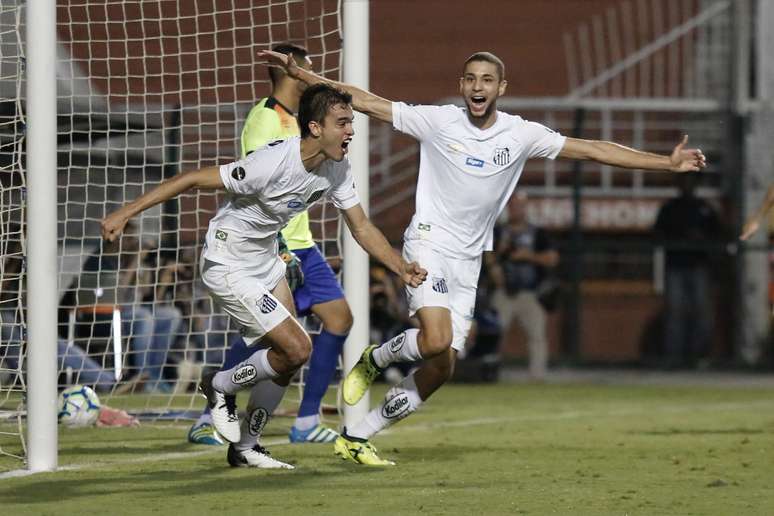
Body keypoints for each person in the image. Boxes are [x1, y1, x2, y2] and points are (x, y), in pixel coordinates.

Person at [259, 49, 707, 466]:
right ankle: (376, 358)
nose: (478, 86)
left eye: (487, 80)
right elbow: (367, 101)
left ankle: (358, 436)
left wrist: (665, 165)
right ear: (462, 84)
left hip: (470, 258)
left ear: (501, 88)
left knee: (443, 366)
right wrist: (303, 75)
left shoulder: (521, 134)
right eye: (471, 78)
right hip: (430, 243)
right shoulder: (437, 122)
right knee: (434, 340)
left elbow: (593, 149)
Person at [101, 83, 427, 470]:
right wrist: (125, 213)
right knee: (299, 347)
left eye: (351, 123)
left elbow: (361, 227)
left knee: (289, 360)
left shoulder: (337, 167)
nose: (351, 131)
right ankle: (220, 385)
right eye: (342, 123)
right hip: (228, 263)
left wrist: (399, 265)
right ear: (315, 127)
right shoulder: (269, 163)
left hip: (267, 262)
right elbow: (189, 180)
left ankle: (246, 446)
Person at [187, 44, 352, 447]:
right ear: (290, 73)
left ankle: (305, 419)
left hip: (303, 244)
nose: (311, 77)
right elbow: (254, 187)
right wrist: (278, 245)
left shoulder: (306, 119)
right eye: (305, 71)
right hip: (275, 245)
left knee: (339, 319)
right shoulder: (264, 119)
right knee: (266, 335)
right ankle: (210, 415)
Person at [59, 222, 181, 393]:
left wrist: (155, 272)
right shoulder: (99, 260)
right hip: (101, 318)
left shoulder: (129, 258)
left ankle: (155, 376)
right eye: (129, 237)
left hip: (128, 315)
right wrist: (136, 259)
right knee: (144, 317)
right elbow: (118, 292)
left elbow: (146, 293)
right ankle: (142, 379)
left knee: (170, 315)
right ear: (115, 239)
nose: (133, 241)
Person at [486, 191, 559, 380]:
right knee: (495, 334)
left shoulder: (537, 233)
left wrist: (528, 256)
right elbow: (488, 256)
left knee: (537, 336)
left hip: (529, 293)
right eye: (512, 206)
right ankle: (491, 374)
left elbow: (552, 258)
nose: (516, 209)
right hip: (504, 292)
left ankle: (537, 377)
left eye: (519, 205)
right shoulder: (499, 232)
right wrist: (496, 264)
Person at [653, 174, 721, 368]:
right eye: (684, 181)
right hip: (676, 266)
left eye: (691, 181)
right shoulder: (670, 208)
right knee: (675, 313)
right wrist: (680, 237)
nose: (688, 185)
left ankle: (699, 357)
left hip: (699, 266)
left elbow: (718, 234)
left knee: (701, 313)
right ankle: (673, 358)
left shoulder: (704, 208)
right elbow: (657, 233)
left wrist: (701, 240)